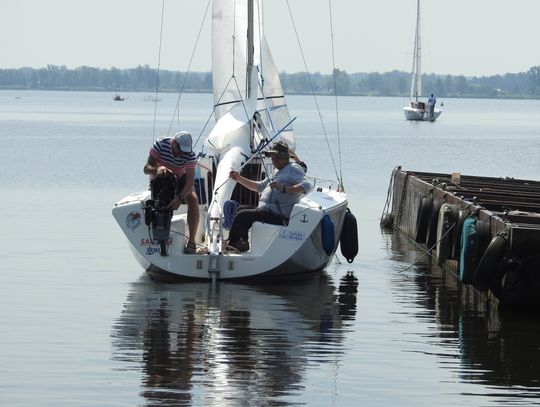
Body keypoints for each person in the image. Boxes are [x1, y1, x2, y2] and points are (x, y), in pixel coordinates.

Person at [227, 140, 312, 252]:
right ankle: (242, 242)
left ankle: (233, 244)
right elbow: (259, 187)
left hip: (277, 215)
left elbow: (307, 185)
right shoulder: (278, 171)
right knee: (240, 209)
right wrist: (239, 179)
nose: (273, 160)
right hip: (267, 211)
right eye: (272, 158)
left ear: (285, 157)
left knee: (242, 215)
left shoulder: (293, 168)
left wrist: (284, 188)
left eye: (276, 157)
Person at [143, 130, 200, 254]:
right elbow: (146, 169)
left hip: (179, 178)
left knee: (193, 198)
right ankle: (155, 231)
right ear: (173, 142)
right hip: (159, 178)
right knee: (158, 203)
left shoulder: (190, 154)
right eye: (180, 150)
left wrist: (180, 198)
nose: (181, 154)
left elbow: (190, 181)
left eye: (185, 151)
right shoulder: (160, 144)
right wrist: (158, 168)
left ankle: (192, 240)